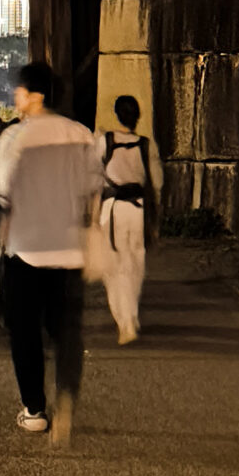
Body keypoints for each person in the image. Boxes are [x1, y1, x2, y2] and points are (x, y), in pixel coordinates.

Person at [0, 62, 102, 448]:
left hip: (25, 247)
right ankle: (67, 397)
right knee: (66, 331)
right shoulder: (82, 134)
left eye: (19, 92)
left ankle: (35, 410)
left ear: (34, 94)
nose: (15, 98)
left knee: (25, 332)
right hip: (70, 247)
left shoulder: (14, 138)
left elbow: (3, 193)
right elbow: (93, 190)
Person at [97, 94, 163, 346]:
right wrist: (156, 220)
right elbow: (156, 184)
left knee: (113, 268)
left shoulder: (105, 142)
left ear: (116, 114)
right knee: (135, 264)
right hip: (139, 210)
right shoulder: (147, 145)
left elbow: (93, 181)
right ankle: (131, 316)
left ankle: (124, 321)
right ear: (137, 116)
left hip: (111, 210)